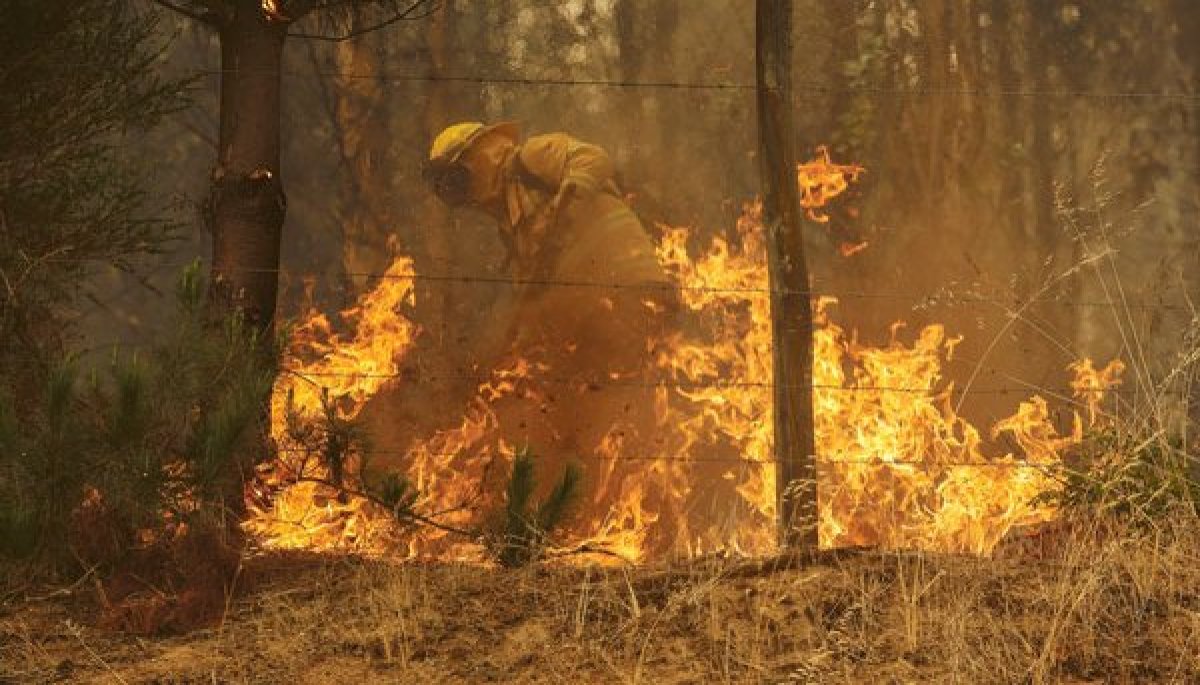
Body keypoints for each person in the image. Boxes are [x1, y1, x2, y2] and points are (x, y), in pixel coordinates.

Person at [423, 121, 679, 461]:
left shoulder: (530, 158)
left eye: (457, 180)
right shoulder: (513, 225)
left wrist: (569, 199)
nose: (463, 196)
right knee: (604, 405)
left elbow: (593, 159)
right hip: (598, 311)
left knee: (619, 396)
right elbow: (536, 295)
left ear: (481, 155)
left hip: (626, 285)